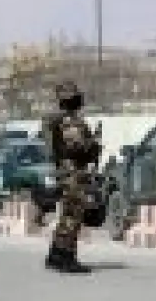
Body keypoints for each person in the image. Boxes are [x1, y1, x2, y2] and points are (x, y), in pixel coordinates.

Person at [42, 80, 98, 274]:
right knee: (73, 216)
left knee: (67, 215)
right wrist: (93, 145)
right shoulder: (69, 121)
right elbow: (76, 147)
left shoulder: (59, 120)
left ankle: (55, 255)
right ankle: (66, 258)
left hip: (67, 171)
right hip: (73, 172)